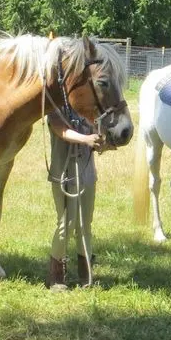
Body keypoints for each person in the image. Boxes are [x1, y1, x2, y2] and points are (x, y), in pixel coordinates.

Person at [46, 111, 107, 290]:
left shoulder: (87, 106)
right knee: (66, 223)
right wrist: (85, 139)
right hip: (64, 175)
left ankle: (86, 272)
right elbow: (60, 130)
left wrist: (101, 141)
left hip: (87, 174)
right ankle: (56, 276)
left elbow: (97, 129)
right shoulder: (56, 106)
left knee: (85, 225)